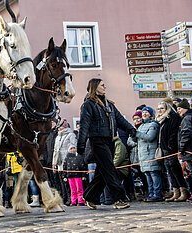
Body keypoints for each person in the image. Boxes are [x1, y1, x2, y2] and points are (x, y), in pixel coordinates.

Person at [76, 78, 135, 210]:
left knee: (102, 172)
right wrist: (81, 144)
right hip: (96, 141)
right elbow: (84, 126)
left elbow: (119, 119)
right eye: (102, 85)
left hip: (110, 140)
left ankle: (90, 196)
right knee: (109, 169)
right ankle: (119, 198)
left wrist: (131, 129)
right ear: (95, 87)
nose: (105, 87)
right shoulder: (88, 105)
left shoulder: (109, 105)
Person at [155, 101, 188, 202]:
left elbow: (174, 133)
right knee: (169, 170)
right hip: (164, 149)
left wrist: (170, 146)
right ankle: (175, 191)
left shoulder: (172, 118)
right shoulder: (161, 120)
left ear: (167, 109)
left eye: (162, 108)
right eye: (158, 108)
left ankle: (183, 191)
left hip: (171, 148)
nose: (159, 110)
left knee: (176, 170)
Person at [135, 106, 163, 202]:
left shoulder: (153, 125)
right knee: (148, 175)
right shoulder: (141, 126)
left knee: (154, 174)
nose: (144, 114)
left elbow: (150, 137)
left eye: (147, 112)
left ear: (151, 114)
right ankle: (151, 194)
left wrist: (136, 134)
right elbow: (135, 141)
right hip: (143, 154)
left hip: (151, 153)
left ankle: (157, 194)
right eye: (143, 112)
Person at [53, 119, 76, 206]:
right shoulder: (58, 137)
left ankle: (70, 198)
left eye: (61, 126)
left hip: (68, 162)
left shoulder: (71, 135)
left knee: (68, 181)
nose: (59, 128)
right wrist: (54, 163)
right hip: (59, 162)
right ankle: (64, 197)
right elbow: (55, 151)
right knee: (61, 181)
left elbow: (73, 147)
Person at [177, 98, 192, 204]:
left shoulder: (187, 118)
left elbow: (186, 133)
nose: (178, 110)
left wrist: (181, 148)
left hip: (190, 151)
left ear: (185, 108)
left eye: (179, 108)